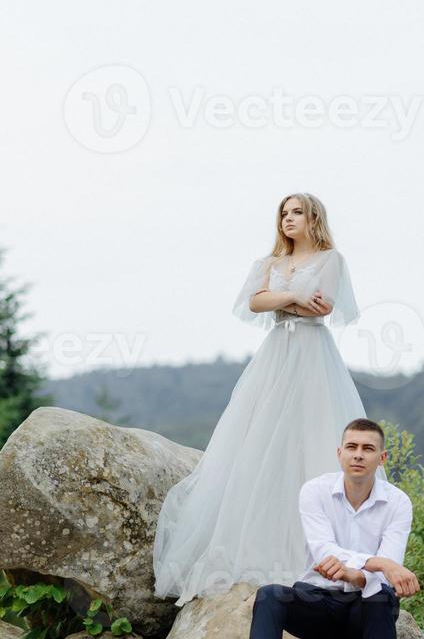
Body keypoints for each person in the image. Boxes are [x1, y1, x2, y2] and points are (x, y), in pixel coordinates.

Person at [153, 192, 385, 607]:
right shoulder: (269, 264)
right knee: (260, 441)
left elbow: (323, 308)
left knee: (312, 436)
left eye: (297, 212)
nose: (288, 219)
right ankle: (255, 547)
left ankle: (321, 555)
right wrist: (294, 298)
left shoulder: (331, 259)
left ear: (314, 218)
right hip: (276, 356)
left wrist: (284, 302)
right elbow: (254, 303)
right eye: (284, 213)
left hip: (313, 356)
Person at [228, 418, 420, 639]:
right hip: (318, 603)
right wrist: (377, 564)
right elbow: (323, 552)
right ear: (339, 453)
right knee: (270, 595)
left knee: (381, 599)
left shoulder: (398, 503)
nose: (358, 455)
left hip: (363, 611)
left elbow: (386, 577)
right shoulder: (314, 492)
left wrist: (359, 575)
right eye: (352, 447)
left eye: (368, 449)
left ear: (383, 457)